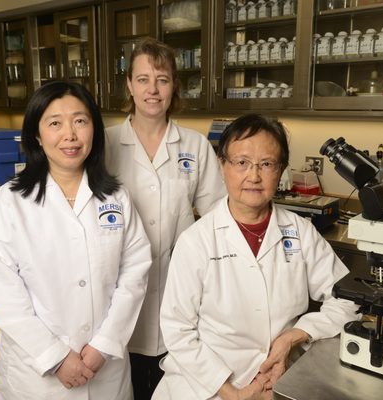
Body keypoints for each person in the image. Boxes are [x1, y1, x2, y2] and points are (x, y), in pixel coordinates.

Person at [153, 114, 360, 400]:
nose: (254, 176)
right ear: (222, 165)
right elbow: (177, 330)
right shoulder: (196, 241)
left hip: (278, 383)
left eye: (266, 164)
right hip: (204, 390)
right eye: (241, 163)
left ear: (281, 170)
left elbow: (349, 300)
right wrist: (230, 392)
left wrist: (297, 335)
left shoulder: (299, 232)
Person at [0, 81, 152, 400]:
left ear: (94, 131)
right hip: (37, 377)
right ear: (37, 136)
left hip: (105, 368)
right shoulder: (8, 203)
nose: (70, 134)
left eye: (80, 121)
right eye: (55, 123)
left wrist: (104, 345)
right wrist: (55, 357)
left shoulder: (117, 198)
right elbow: (4, 296)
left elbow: (135, 274)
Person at [105, 37, 226, 400]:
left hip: (181, 296)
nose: (152, 90)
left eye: (162, 79)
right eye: (143, 79)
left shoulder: (195, 145)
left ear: (175, 86)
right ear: (129, 84)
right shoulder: (105, 145)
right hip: (116, 298)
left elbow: (217, 220)